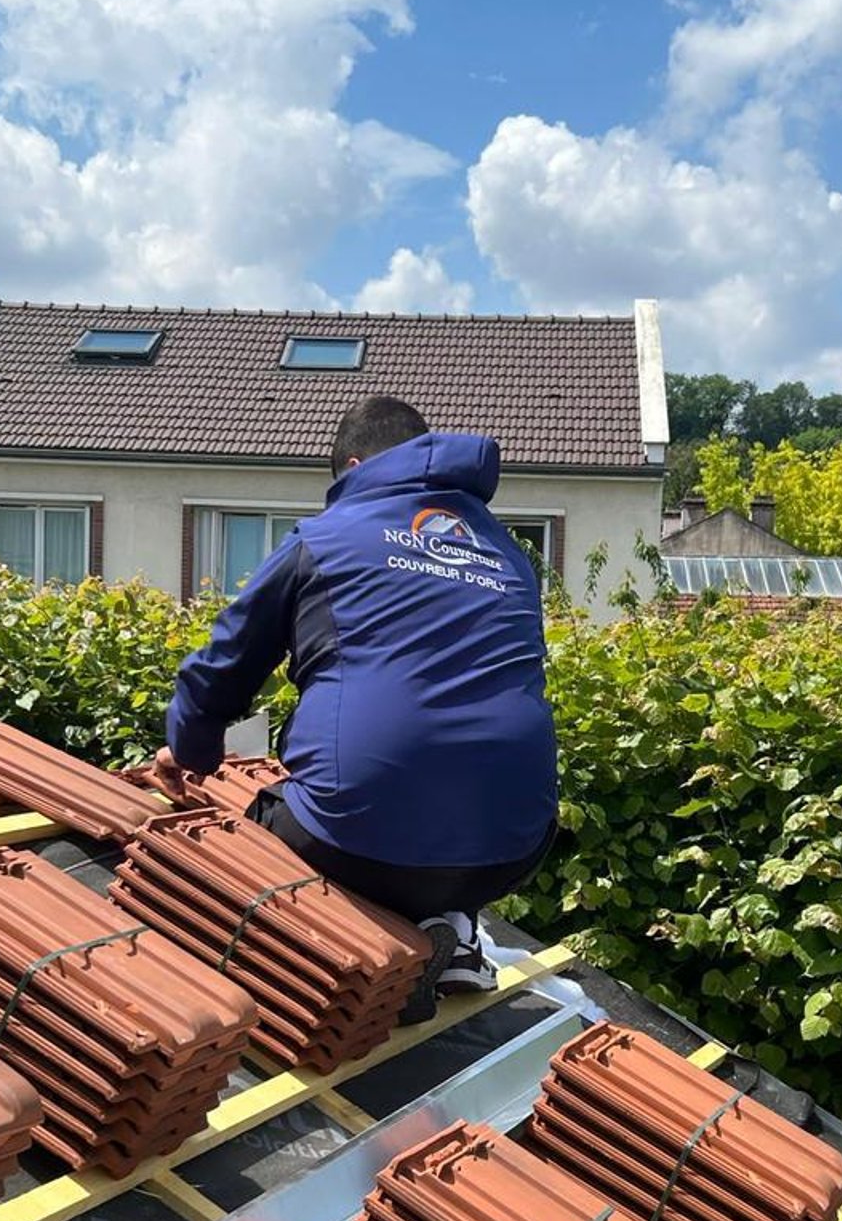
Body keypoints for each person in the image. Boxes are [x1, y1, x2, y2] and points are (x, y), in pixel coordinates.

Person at [154, 394, 558, 1017]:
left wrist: (190, 750)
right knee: (429, 816)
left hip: (360, 838)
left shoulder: (325, 537)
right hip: (513, 846)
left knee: (262, 828)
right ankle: (452, 933)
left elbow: (226, 662)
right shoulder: (507, 554)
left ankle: (367, 968)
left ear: (352, 466)